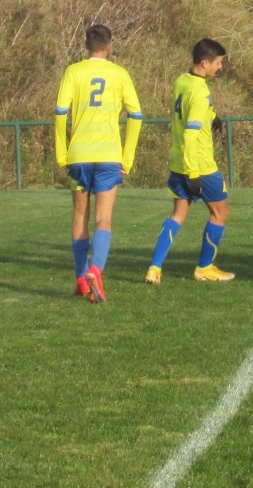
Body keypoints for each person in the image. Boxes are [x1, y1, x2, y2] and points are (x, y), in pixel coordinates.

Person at [55, 23, 143, 303]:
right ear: (110, 45)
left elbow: (60, 112)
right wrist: (127, 157)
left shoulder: (73, 71)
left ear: (85, 45)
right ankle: (96, 271)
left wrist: (62, 153)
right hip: (109, 155)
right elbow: (136, 115)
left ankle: (82, 280)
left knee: (80, 216)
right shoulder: (119, 74)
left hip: (79, 155)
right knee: (103, 217)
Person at [145, 38, 236, 285]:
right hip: (200, 165)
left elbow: (189, 110)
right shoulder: (199, 90)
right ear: (204, 63)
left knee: (178, 214)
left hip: (177, 162)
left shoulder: (182, 80)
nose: (220, 67)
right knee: (220, 213)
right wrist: (194, 173)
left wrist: (213, 116)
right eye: (218, 63)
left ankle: (154, 268)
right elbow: (191, 133)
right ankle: (204, 267)